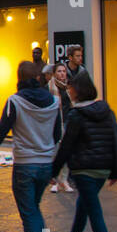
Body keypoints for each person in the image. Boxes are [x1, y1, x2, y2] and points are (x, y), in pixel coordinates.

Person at [0, 61, 62, 232]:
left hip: (25, 163)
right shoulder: (54, 102)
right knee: (34, 209)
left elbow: (2, 129)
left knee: (29, 212)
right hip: (45, 162)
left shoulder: (15, 101)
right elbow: (57, 134)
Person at [49, 71, 116, 232]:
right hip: (102, 168)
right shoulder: (105, 110)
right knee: (83, 206)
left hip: (85, 168)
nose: (68, 90)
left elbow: (66, 145)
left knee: (94, 212)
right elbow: (115, 140)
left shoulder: (77, 115)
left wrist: (53, 171)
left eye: (70, 87)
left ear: (76, 90)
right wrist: (115, 168)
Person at [46, 63, 75, 195]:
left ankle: (63, 180)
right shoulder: (50, 88)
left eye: (64, 71)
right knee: (56, 153)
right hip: (56, 124)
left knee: (67, 153)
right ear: (54, 73)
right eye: (59, 71)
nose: (62, 74)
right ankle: (56, 181)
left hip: (69, 123)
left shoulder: (69, 88)